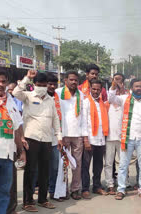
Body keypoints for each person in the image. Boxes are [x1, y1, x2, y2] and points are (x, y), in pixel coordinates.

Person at [13, 70, 62, 211]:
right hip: (31, 139)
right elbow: (16, 92)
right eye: (39, 84)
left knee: (44, 171)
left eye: (44, 85)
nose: (41, 87)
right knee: (30, 171)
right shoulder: (27, 96)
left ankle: (42, 199)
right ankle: (28, 202)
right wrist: (27, 77)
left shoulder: (50, 100)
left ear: (47, 85)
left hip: (47, 139)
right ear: (34, 85)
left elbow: (55, 120)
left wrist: (59, 137)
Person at [109, 78, 141, 200]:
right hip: (127, 137)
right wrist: (113, 86)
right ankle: (121, 189)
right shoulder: (124, 99)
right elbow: (111, 99)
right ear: (132, 88)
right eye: (136, 86)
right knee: (123, 165)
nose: (139, 88)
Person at [0, 70, 25, 214]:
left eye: (3, 81)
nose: (0, 84)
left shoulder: (11, 102)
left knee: (4, 193)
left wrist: (21, 151)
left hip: (8, 156)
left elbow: (17, 128)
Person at [55, 71, 85, 200]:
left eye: (76, 80)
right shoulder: (58, 93)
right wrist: (59, 136)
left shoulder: (81, 95)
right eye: (71, 79)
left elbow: (83, 117)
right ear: (65, 80)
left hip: (77, 134)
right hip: (64, 135)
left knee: (77, 164)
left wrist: (84, 135)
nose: (74, 82)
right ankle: (63, 190)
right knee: (63, 163)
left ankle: (75, 189)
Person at [81, 79, 108, 199]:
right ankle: (85, 188)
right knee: (85, 165)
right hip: (90, 139)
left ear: (101, 90)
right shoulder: (86, 102)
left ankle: (97, 186)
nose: (96, 91)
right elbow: (83, 122)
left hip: (101, 139)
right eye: (94, 89)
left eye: (98, 89)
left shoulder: (103, 103)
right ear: (90, 89)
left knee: (98, 165)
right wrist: (85, 140)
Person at [105, 73, 126, 195]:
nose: (117, 89)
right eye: (115, 87)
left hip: (122, 137)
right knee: (108, 162)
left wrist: (121, 88)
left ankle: (124, 182)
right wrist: (114, 84)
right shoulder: (107, 102)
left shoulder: (125, 100)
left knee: (123, 162)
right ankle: (110, 184)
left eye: (120, 84)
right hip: (109, 137)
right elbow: (111, 95)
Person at [46, 74, 63, 202]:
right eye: (49, 83)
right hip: (39, 139)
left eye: (54, 84)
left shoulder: (59, 98)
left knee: (55, 167)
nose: (52, 86)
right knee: (39, 167)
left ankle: (52, 191)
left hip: (55, 138)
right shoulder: (37, 97)